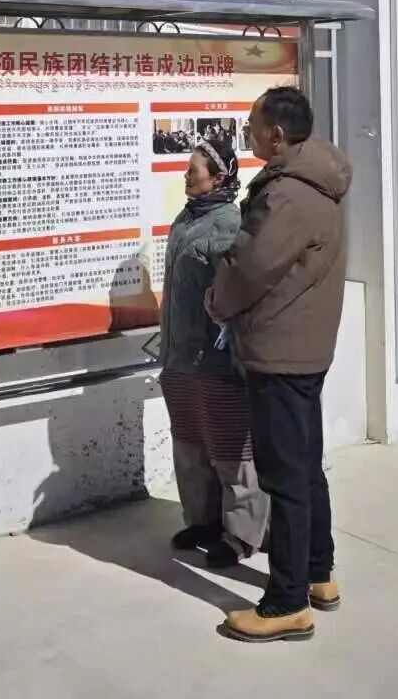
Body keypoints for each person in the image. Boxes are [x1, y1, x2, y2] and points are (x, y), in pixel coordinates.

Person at [208, 86, 351, 644]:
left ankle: (287, 602)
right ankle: (318, 573)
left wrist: (218, 301)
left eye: (252, 123)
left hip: (279, 349)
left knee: (284, 477)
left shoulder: (287, 195)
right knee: (305, 466)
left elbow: (251, 267)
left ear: (277, 134)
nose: (246, 130)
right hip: (304, 346)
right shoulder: (318, 179)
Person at [158, 140, 269, 568]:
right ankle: (202, 520)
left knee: (229, 450)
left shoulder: (228, 225)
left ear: (219, 178)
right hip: (179, 357)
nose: (186, 177)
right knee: (190, 444)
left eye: (194, 171)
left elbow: (240, 291)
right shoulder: (186, 219)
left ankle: (241, 534)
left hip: (215, 360)